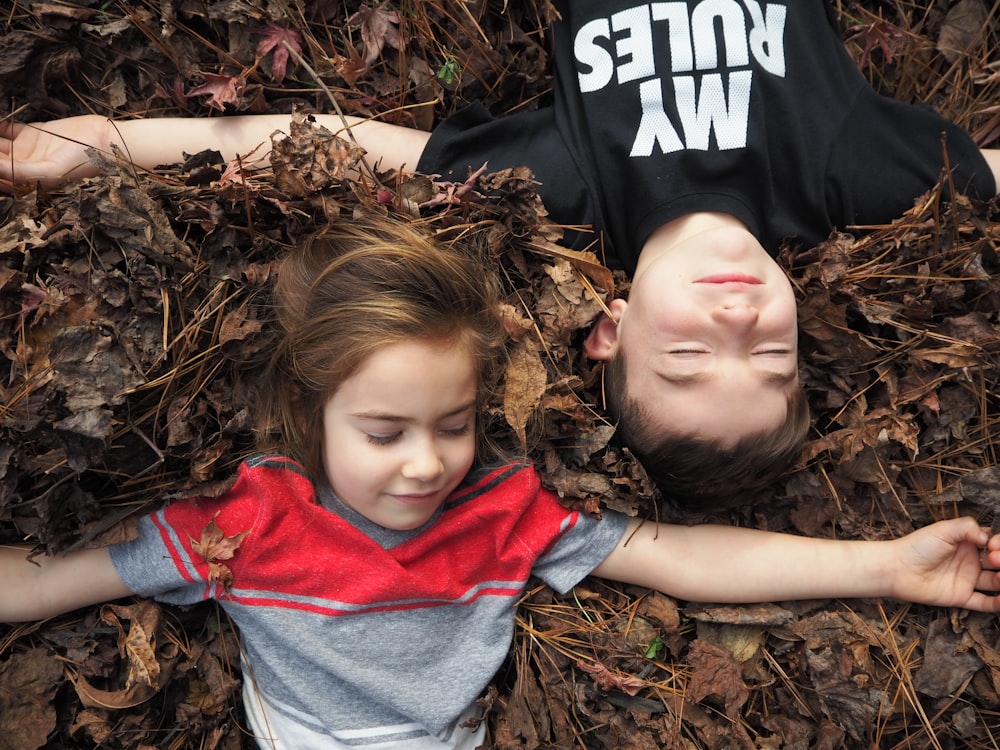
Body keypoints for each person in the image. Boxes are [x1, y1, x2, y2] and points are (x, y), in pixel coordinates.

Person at [3, 213, 1000, 750]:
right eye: (384, 432)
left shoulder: (501, 507)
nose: (427, 462)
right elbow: (47, 582)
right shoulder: (240, 522)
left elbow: (682, 558)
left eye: (451, 424)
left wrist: (885, 565)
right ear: (307, 418)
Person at [3, 0, 1000, 504]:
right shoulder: (850, 175)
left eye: (691, 356)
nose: (736, 320)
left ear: (609, 331)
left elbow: (337, 145)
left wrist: (111, 145)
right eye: (770, 355)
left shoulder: (561, 185)